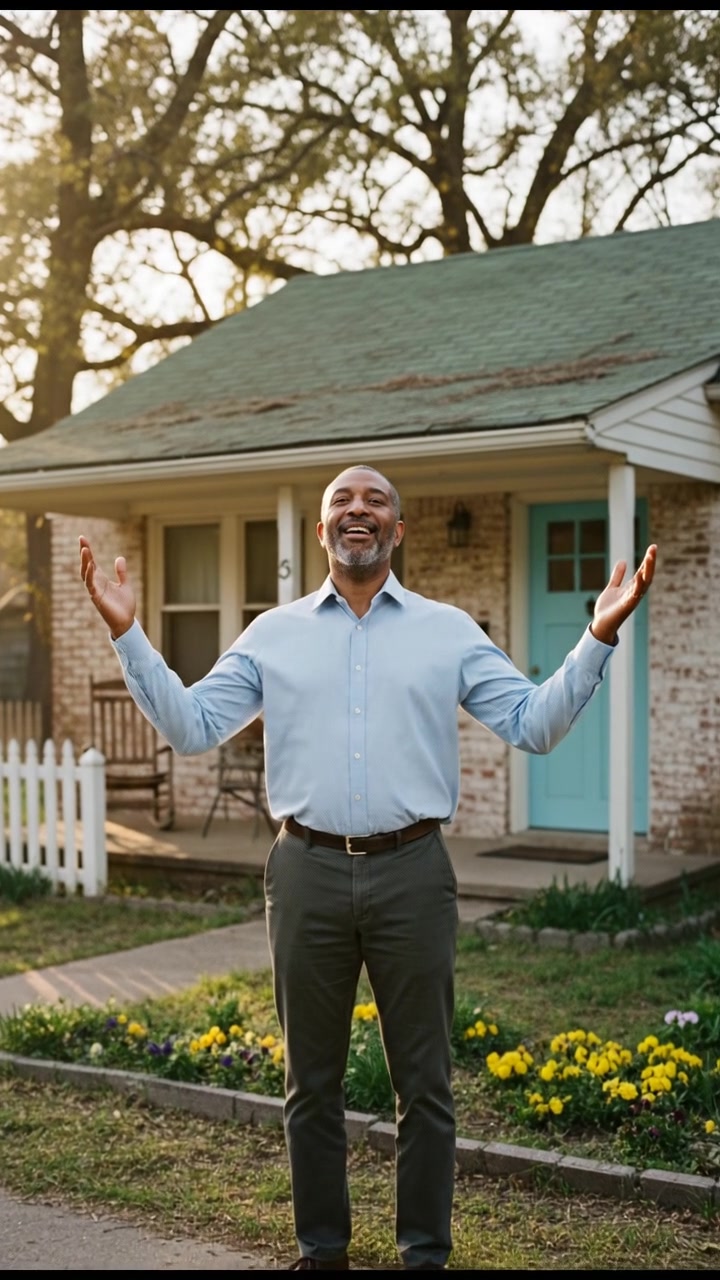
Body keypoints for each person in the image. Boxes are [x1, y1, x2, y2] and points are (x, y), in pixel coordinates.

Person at [79, 465, 656, 1271]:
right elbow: (192, 726)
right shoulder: (273, 633)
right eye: (342, 502)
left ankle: (425, 1255)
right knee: (310, 1082)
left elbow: (534, 725)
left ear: (398, 530)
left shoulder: (447, 631)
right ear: (322, 532)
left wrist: (597, 636)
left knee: (426, 1083)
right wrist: (127, 635)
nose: (360, 509)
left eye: (376, 500)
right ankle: (323, 1253)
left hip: (414, 870)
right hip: (304, 870)